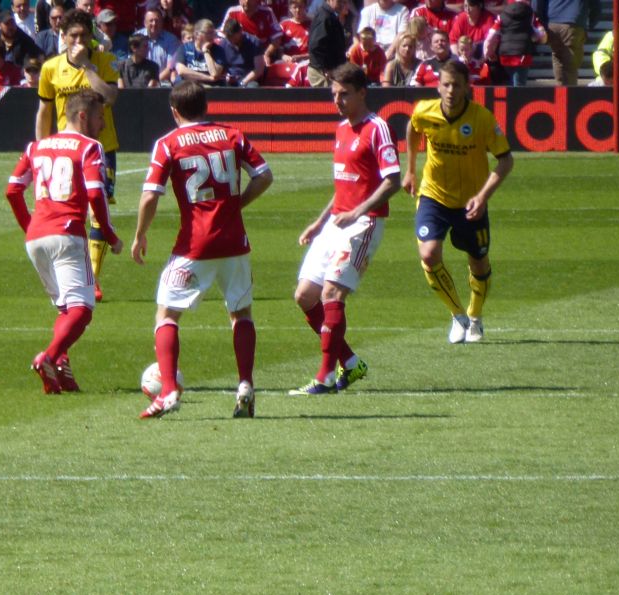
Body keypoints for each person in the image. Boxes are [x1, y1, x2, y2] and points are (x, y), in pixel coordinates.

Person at [131, 79, 273, 419]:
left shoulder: (169, 143)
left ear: (175, 111)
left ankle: (168, 392)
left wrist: (140, 235)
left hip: (195, 245)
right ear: (205, 105)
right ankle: (245, 385)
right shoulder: (232, 134)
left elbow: (151, 194)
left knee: (167, 314)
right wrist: (236, 205)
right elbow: (265, 176)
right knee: (240, 313)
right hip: (235, 242)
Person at [288, 62, 398, 396]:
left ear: (362, 92)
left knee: (332, 294)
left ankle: (324, 379)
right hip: (337, 222)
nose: (337, 101)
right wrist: (319, 221)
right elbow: (342, 185)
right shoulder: (341, 129)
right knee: (305, 296)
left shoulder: (377, 128)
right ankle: (350, 363)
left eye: (344, 94)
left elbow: (392, 179)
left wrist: (358, 211)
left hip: (364, 223)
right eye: (334, 94)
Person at [7, 89, 123, 395]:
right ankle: (48, 356)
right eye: (99, 118)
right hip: (67, 233)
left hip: (36, 238)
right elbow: (96, 194)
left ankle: (62, 374)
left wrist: (28, 226)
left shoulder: (36, 146)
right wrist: (110, 235)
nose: (102, 125)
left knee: (66, 310)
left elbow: (12, 190)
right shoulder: (89, 147)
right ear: (82, 116)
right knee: (82, 310)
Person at [405, 58, 513, 344]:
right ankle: (457, 315)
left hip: (470, 203)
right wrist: (411, 170)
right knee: (428, 254)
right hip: (434, 196)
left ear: (467, 87)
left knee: (478, 262)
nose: (451, 90)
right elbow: (413, 128)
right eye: (446, 84)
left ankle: (475, 317)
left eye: (457, 85)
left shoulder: (482, 119)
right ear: (438, 87)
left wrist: (482, 196)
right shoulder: (424, 112)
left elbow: (505, 160)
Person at [37, 9, 120, 302]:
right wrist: (40, 149)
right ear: (63, 36)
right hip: (65, 151)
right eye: (73, 35)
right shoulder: (51, 69)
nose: (79, 40)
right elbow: (45, 110)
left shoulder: (104, 62)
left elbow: (110, 97)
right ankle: (70, 271)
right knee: (70, 211)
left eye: (84, 35)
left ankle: (93, 277)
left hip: (100, 147)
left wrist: (86, 66)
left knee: (99, 210)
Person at [534, 0, 599, 86]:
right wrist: (592, 23)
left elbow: (537, 4)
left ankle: (561, 89)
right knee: (570, 62)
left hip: (553, 22)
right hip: (574, 23)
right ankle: (570, 93)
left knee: (557, 56)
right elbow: (596, 6)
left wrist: (542, 23)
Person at [486, 0, 546, 86]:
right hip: (523, 53)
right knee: (519, 84)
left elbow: (491, 34)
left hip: (505, 53)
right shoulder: (530, 14)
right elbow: (541, 33)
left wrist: (487, 51)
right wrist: (535, 39)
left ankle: (512, 97)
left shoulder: (502, 15)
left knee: (512, 82)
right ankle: (516, 98)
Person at [306, 0, 348, 86]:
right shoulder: (324, 17)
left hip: (332, 71)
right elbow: (315, 46)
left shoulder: (331, 16)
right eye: (339, 1)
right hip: (321, 73)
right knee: (326, 99)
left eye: (343, 2)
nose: (341, 5)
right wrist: (326, 68)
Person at [135, 8, 179, 81]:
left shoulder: (171, 40)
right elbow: (133, 64)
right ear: (145, 23)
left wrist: (155, 81)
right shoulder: (136, 37)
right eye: (151, 21)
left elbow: (170, 67)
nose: (154, 24)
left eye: (157, 20)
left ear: (162, 22)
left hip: (163, 82)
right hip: (140, 83)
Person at [175, 17, 225, 82]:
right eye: (208, 33)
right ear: (196, 34)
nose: (212, 36)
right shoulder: (184, 48)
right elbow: (181, 71)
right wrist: (208, 78)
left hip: (210, 89)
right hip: (187, 86)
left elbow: (215, 74)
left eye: (213, 33)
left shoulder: (219, 50)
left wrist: (205, 51)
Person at [219, 15, 265, 84]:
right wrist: (226, 76)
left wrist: (243, 82)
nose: (232, 42)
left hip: (248, 79)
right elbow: (221, 66)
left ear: (240, 31)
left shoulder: (254, 42)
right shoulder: (223, 43)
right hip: (230, 79)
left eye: (234, 38)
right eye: (229, 39)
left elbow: (259, 69)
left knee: (253, 87)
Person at [447, 0, 494, 64]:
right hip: (463, 57)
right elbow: (453, 41)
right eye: (465, 6)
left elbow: (491, 42)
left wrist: (481, 61)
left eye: (471, 6)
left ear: (479, 6)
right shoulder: (461, 17)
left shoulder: (488, 18)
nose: (467, 9)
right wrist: (459, 59)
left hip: (482, 57)